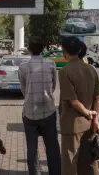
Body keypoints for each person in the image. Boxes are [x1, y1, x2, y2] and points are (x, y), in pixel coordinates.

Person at [18, 36, 61, 175]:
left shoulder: (23, 66)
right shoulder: (51, 64)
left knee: (32, 150)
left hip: (29, 112)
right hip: (48, 110)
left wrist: (31, 96)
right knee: (52, 147)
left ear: (29, 50)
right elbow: (53, 86)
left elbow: (23, 89)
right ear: (43, 49)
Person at [58, 37, 99, 175]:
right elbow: (98, 98)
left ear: (64, 51)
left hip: (72, 124)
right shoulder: (91, 69)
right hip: (90, 125)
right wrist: (95, 118)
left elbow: (73, 101)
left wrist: (87, 112)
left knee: (70, 163)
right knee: (89, 163)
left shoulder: (65, 71)